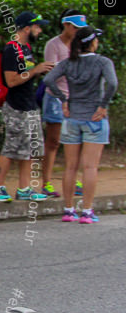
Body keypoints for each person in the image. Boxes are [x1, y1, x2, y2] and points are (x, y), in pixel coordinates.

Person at [44, 26, 118, 224]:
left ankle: (68, 210)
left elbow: (48, 79)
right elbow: (112, 84)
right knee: (90, 167)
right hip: (94, 118)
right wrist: (103, 105)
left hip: (71, 118)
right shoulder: (103, 61)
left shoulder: (68, 63)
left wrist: (63, 99)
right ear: (93, 42)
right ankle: (86, 211)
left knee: (70, 167)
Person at [0, 11, 54, 203]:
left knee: (30, 148)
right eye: (37, 27)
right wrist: (36, 70)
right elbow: (11, 81)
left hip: (30, 105)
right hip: (16, 107)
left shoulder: (26, 48)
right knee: (11, 147)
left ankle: (24, 188)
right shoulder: (11, 50)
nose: (40, 30)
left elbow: (26, 74)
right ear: (27, 28)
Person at [39, 10, 87, 197]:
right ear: (65, 25)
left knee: (75, 141)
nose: (77, 31)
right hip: (56, 98)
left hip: (76, 98)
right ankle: (47, 183)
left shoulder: (80, 45)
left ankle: (73, 180)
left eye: (80, 28)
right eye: (75, 27)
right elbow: (51, 74)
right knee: (53, 141)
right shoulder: (53, 44)